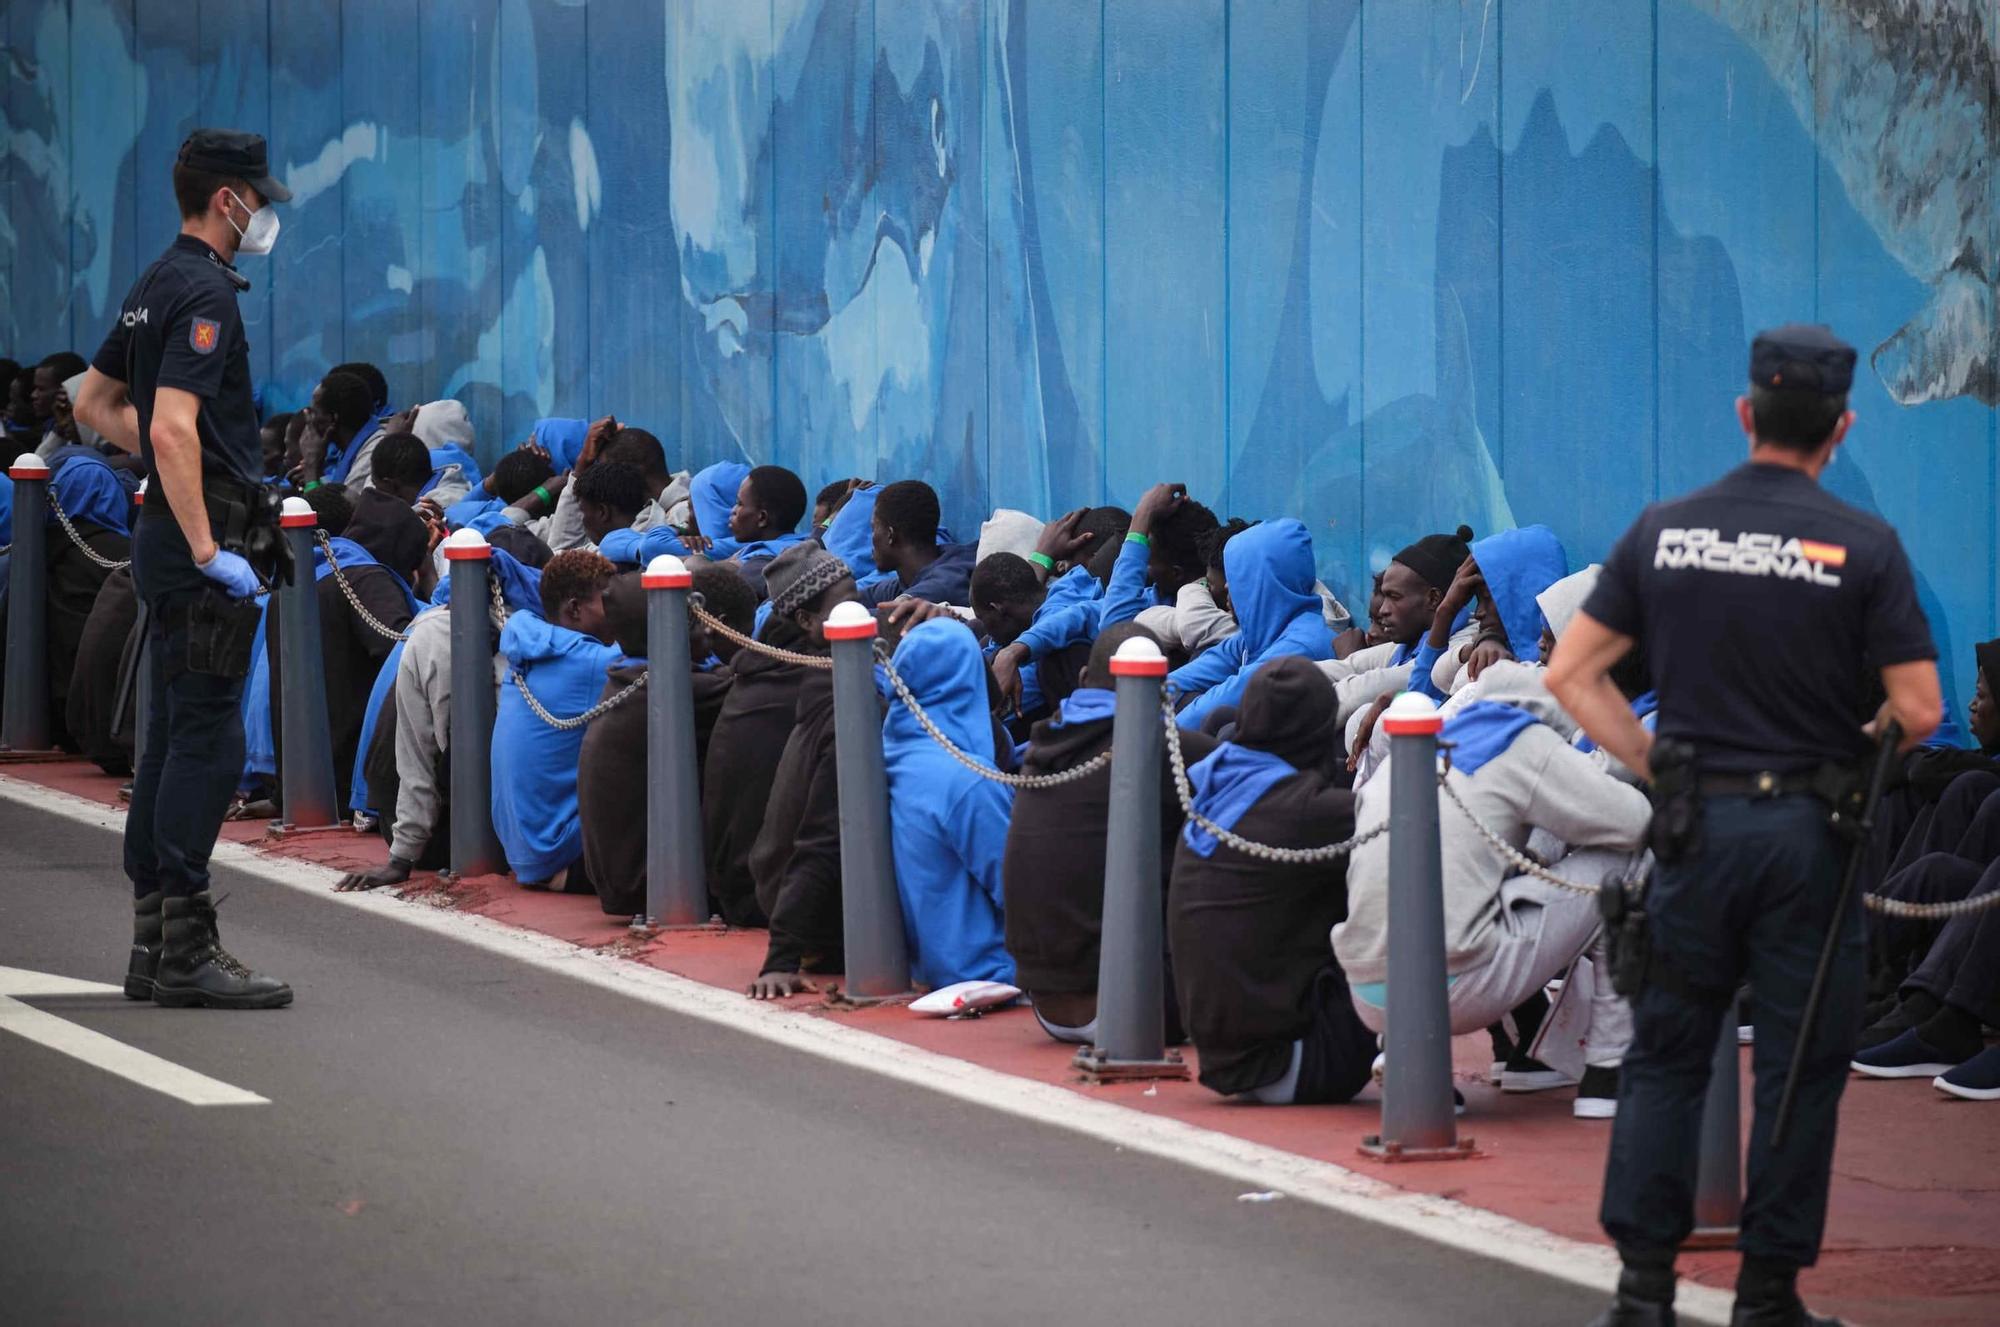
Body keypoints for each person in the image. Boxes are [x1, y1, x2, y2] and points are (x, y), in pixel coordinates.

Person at [1547, 325, 1942, 1327]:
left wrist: (1655, 766)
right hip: (1807, 839)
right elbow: (1920, 707)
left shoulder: (1664, 530)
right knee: (1800, 1070)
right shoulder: (1864, 546)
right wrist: (1851, 753)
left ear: (1743, 415)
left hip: (1694, 830)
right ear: (1840, 428)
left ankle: (1640, 1293)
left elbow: (1570, 675)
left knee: (1664, 1056)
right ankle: (1766, 1296)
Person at [70, 128, 294, 1008]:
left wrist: (177, 472)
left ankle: (150, 943)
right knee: (209, 736)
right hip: (200, 543)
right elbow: (165, 425)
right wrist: (209, 542)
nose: (263, 210)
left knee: (170, 732)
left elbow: (91, 403)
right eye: (256, 195)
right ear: (227, 197)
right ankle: (188, 950)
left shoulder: (156, 279)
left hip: (161, 531)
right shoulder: (206, 289)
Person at [1337, 662, 1652, 1116]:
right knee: (1628, 863)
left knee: (1483, 885)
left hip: (1368, 995)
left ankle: (1496, 1054)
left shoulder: (1416, 749)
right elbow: (1632, 823)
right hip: (1455, 989)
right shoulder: (1524, 739)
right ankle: (1608, 1071)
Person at [1167, 658, 1375, 1104]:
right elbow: (1426, 817)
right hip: (1300, 1061)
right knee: (1404, 893)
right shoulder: (1307, 810)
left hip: (1227, 1061)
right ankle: (1428, 1076)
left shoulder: (1216, 785)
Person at [1003, 623, 1214, 1042]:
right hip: (1136, 1006)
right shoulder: (1165, 747)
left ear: (1084, 680)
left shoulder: (1042, 748)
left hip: (1048, 1010)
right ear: (1161, 690)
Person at [334, 545, 545, 891]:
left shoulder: (426, 629)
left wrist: (401, 858)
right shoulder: (548, 634)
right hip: (499, 833)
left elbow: (415, 755)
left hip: (413, 822)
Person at [579, 567, 754, 917]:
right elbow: (757, 692)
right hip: (642, 881)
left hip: (618, 876)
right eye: (693, 619)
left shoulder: (628, 673)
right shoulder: (674, 689)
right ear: (666, 631)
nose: (707, 627)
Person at [745, 545, 861, 997]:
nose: (860, 610)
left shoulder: (817, 678)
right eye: (846, 603)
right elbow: (820, 840)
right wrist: (781, 959)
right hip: (816, 924)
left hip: (778, 895)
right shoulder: (843, 709)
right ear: (809, 624)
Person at [881, 617, 1017, 989]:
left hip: (923, 967)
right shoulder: (968, 780)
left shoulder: (890, 749)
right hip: (987, 971)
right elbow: (1018, 889)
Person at [491, 549, 622, 890]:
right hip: (556, 849)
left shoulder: (529, 641)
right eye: (609, 601)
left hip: (524, 847)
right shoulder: (592, 662)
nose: (619, 611)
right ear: (575, 609)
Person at [1166, 518, 1333, 731]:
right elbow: (1177, 681)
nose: (1227, 585)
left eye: (1239, 577)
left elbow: (1217, 703)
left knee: (1217, 722)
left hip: (1284, 762)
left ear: (1263, 584)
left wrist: (1149, 739)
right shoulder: (1257, 635)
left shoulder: (1302, 646)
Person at [858, 479, 978, 607]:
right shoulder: (906, 582)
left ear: (890, 535)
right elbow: (853, 600)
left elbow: (890, 617)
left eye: (873, 529)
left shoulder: (944, 585)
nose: (871, 538)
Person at [724, 463, 809, 594]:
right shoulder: (802, 542)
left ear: (762, 518)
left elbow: (704, 572)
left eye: (739, 503)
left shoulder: (766, 555)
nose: (733, 511)